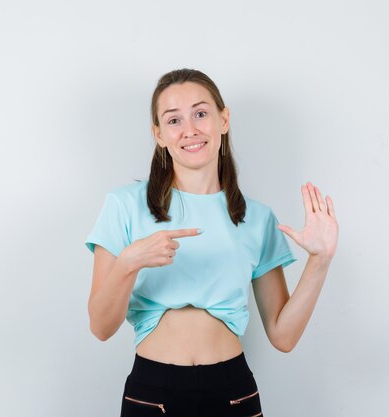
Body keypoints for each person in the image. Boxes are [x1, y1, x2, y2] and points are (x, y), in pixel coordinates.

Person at [84, 68, 339, 417]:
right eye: (174, 120)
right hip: (152, 392)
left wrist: (320, 260)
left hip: (233, 392)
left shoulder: (257, 218)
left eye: (201, 113)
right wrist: (130, 261)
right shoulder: (125, 205)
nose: (190, 129)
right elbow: (100, 327)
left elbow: (283, 336)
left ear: (223, 119)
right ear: (158, 134)